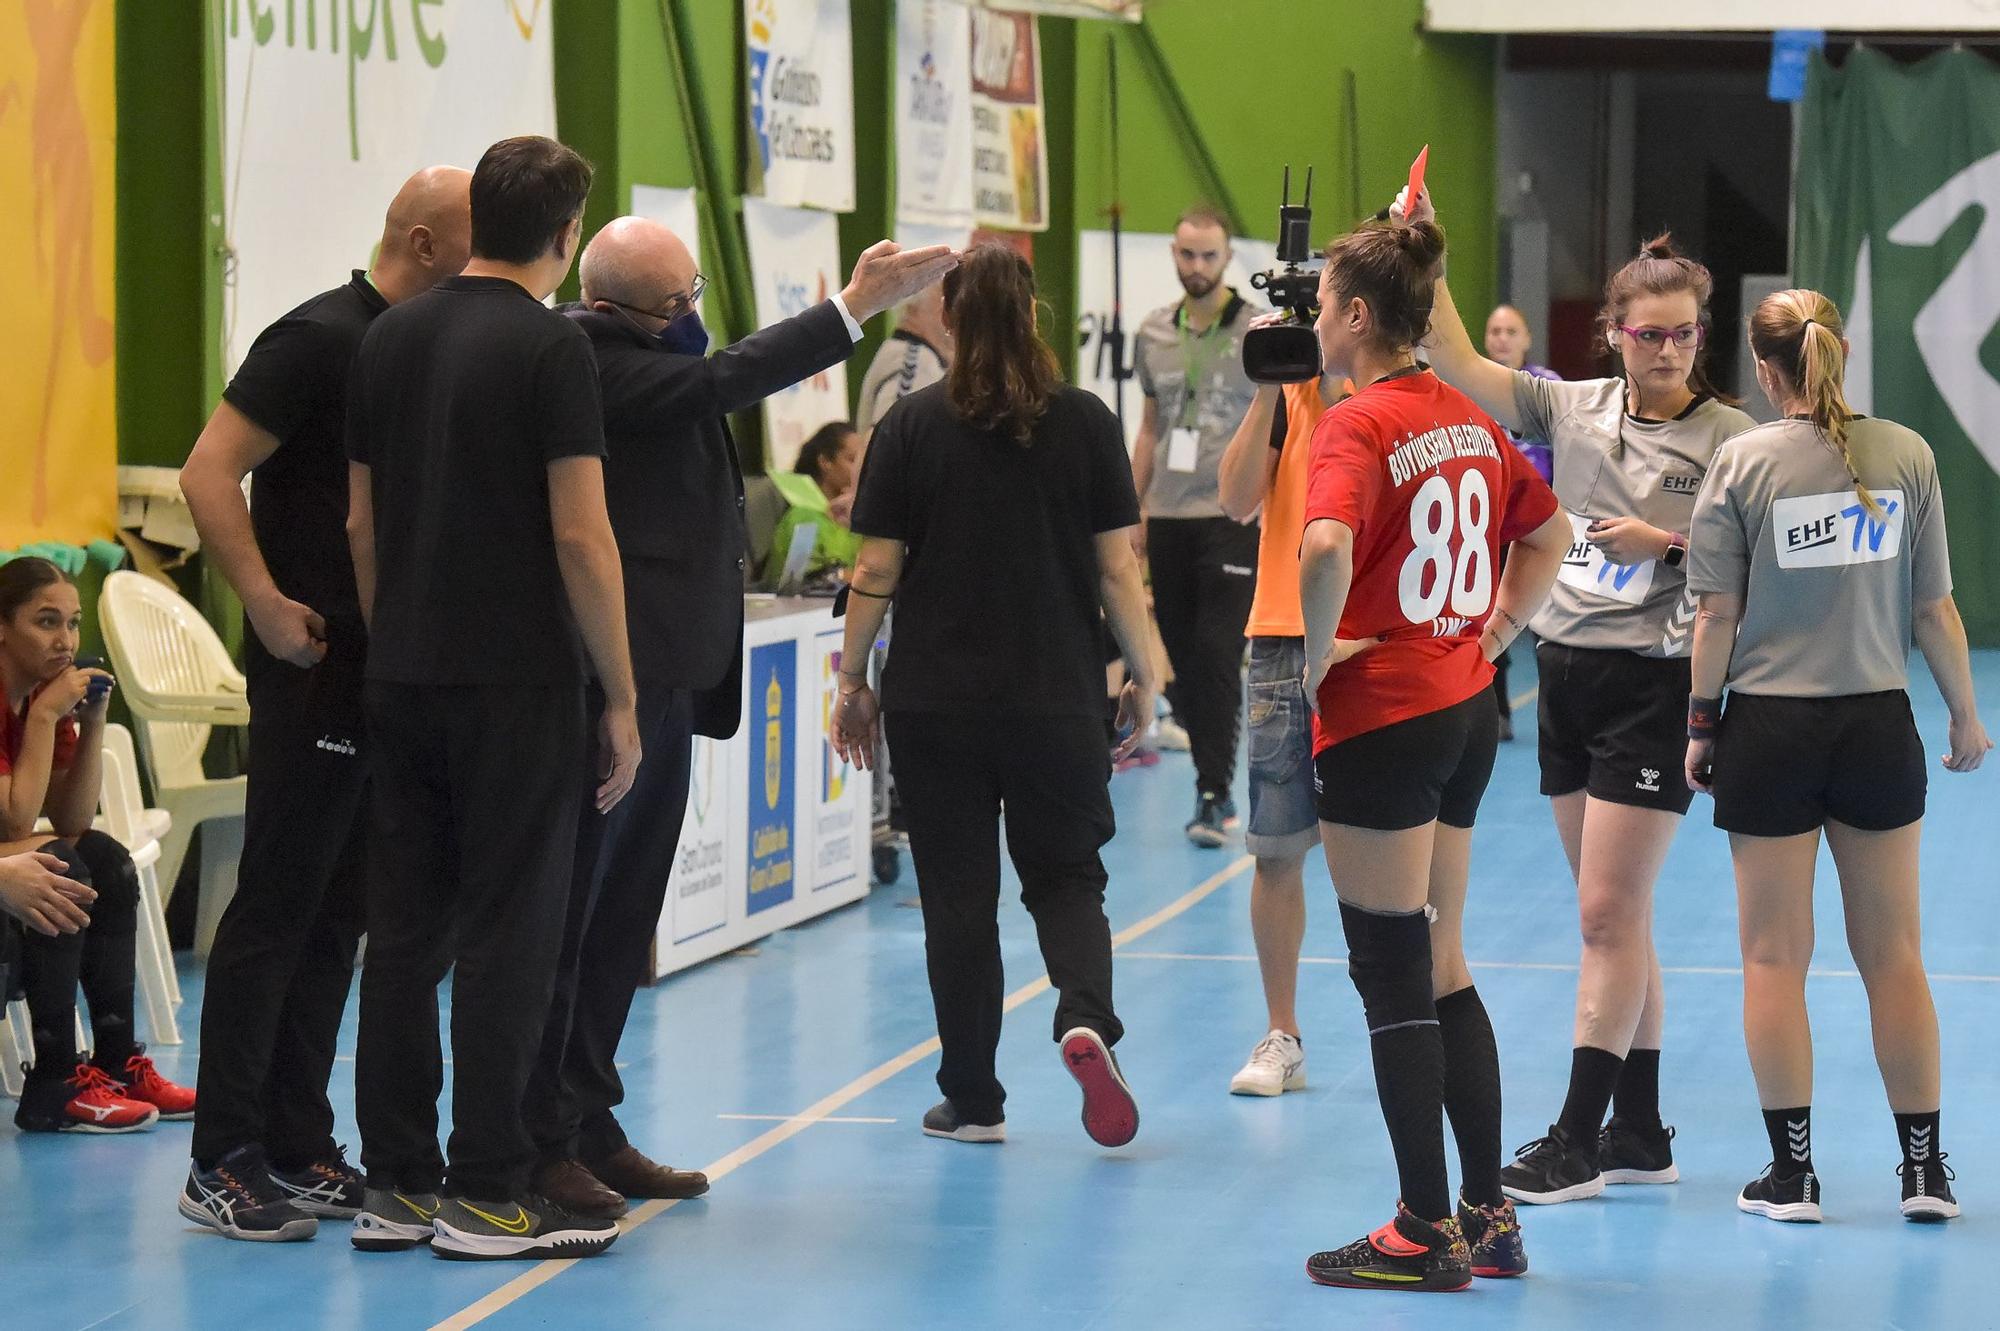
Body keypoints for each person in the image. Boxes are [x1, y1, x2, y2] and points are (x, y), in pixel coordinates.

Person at [521, 216, 955, 1218]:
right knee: (578, 919)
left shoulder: (645, 348)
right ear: (608, 304)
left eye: (694, 295)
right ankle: (540, 1134)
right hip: (610, 687)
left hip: (671, 677)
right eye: (674, 304)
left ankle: (590, 1118)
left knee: (627, 914)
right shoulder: (593, 359)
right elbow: (725, 380)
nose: (690, 318)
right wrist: (849, 308)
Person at [1409, 185, 1758, 1205]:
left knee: (1606, 913)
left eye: (1682, 334)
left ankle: (1573, 1137)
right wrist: (1425, 247)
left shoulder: (1731, 438)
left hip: (1655, 681)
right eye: (1646, 334)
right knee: (1614, 912)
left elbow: (1758, 568)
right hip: (1562, 670)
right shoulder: (1570, 405)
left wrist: (1673, 543)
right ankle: (1640, 1127)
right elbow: (1460, 365)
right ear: (1612, 334)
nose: (1665, 350)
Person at [343, 135, 638, 1262]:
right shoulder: (553, 351)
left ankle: (395, 1182)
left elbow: (364, 524)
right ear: (566, 236)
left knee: (406, 932)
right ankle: (487, 1191)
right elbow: (581, 534)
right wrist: (618, 692)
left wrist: (396, 635)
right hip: (515, 679)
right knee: (511, 931)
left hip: (403, 669)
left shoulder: (390, 335)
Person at [176, 165, 472, 1243]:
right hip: (309, 655)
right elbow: (209, 472)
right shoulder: (317, 336)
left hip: (382, 666)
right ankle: (221, 1155)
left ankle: (297, 1138)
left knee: (340, 908)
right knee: (277, 904)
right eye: (477, 250)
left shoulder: (414, 349)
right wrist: (258, 599)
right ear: (428, 244)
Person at [830, 244, 1164, 1149]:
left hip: (936, 707)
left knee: (958, 900)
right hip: (1055, 698)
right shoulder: (1088, 423)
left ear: (950, 316)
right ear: (1033, 315)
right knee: (1066, 879)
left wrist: (852, 678)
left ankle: (973, 1097)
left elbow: (874, 567)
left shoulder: (909, 426)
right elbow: (1119, 570)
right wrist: (1148, 673)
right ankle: (1084, 1015)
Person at [1296, 219, 1569, 1292]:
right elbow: (1545, 536)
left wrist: (1310, 663)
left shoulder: (1355, 424)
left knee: (1388, 970)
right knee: (1443, 961)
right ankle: (1486, 1210)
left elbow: (1322, 547)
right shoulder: (1465, 417)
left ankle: (1419, 1226)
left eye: (1321, 301)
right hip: (1460, 711)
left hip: (1379, 718)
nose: (1313, 318)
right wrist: (1496, 634)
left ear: (1358, 315)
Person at [1684, 289, 1991, 1224]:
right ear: (1841, 354)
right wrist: (1967, 718)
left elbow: (1716, 615)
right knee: (1894, 955)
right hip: (1876, 726)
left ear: (1764, 370)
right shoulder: (1909, 454)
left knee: (1774, 958)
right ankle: (1926, 1172)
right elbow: (1933, 610)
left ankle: (1793, 1177)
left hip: (1770, 731)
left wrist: (1702, 724)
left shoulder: (1741, 460)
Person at [0, 557, 196, 1136]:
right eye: (46, 622)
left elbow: (71, 816)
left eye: (74, 623)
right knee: (58, 864)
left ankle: (115, 1065)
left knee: (104, 859)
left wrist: (93, 722)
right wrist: (44, 718)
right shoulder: (36, 703)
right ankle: (54, 1082)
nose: (66, 642)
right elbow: (14, 822)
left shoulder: (39, 695)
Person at [1214, 363, 1344, 1096]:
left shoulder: (1384, 393)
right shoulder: (1289, 398)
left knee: (1390, 851)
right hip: (1281, 635)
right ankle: (1281, 1033)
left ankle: (1413, 1013)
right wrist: (1268, 386)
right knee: (1277, 847)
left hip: (1370, 634)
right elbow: (1234, 498)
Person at [1131, 207, 1268, 846]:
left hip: (1233, 515)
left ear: (1225, 258)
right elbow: (1151, 428)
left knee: (1217, 653)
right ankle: (1209, 770)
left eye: (1208, 257)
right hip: (1168, 515)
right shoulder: (1153, 332)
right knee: (1183, 660)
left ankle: (1214, 793)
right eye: (1186, 255)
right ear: (1174, 254)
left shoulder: (1256, 331)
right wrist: (1132, 511)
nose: (1197, 267)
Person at [1480, 304, 1560, 740]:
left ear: (1526, 339)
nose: (1503, 339)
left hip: (1537, 525)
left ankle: (1561, 715)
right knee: (1492, 615)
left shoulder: (1545, 387)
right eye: (1495, 331)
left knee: (1551, 626)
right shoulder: (1469, 389)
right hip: (1487, 525)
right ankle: (1496, 709)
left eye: (1511, 330)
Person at [765, 421, 865, 585]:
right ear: (825, 462)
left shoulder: (856, 514)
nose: (859, 469)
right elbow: (799, 580)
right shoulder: (802, 516)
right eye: (852, 460)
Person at [856, 282, 951, 442]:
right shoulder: (912, 361)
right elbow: (887, 440)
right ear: (913, 308)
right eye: (943, 299)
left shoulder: (915, 357)